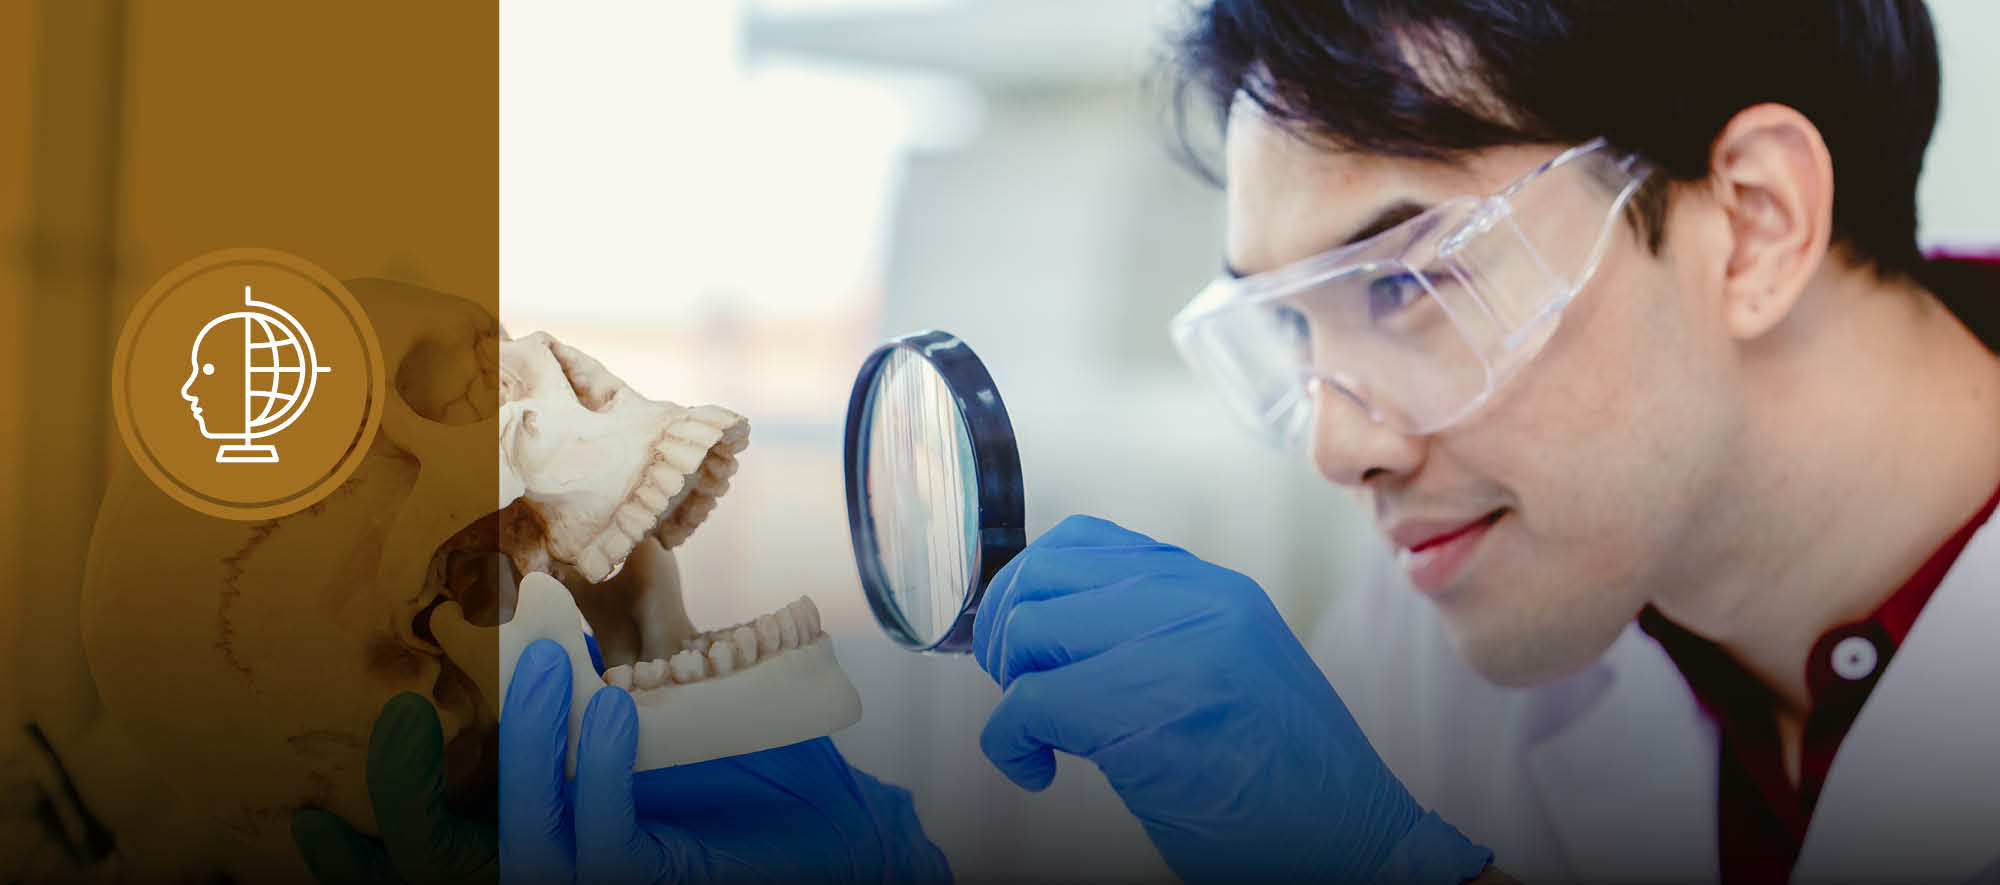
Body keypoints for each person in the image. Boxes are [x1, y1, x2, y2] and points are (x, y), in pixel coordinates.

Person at [316, 0, 2000, 881]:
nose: (1336, 443)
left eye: (1411, 279)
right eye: (1286, 328)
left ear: (1758, 222)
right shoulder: (1472, 629)